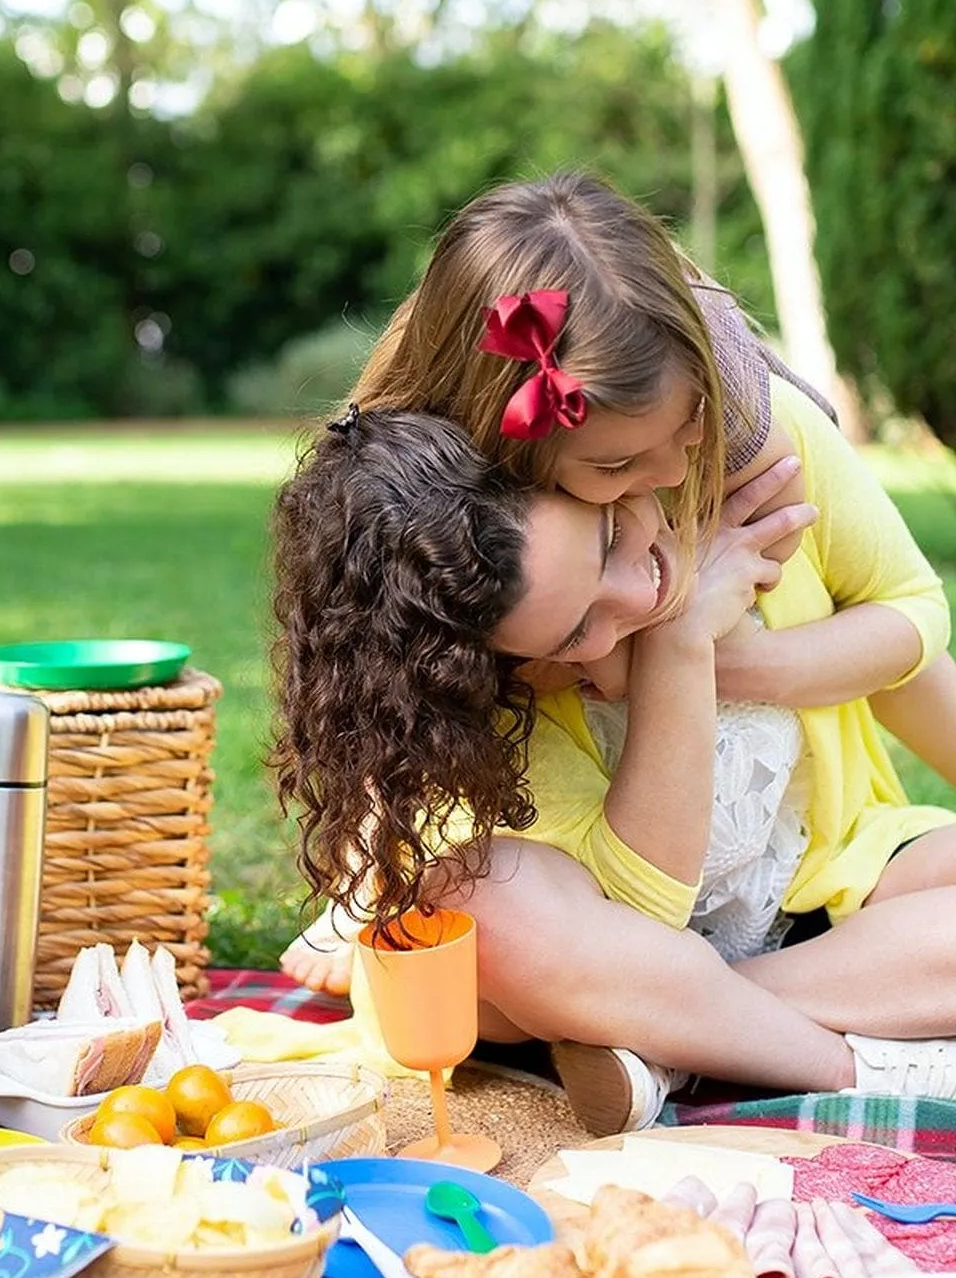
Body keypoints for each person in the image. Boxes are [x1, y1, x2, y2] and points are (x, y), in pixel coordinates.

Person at [277, 170, 956, 1002]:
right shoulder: (478, 563)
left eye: (689, 425)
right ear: (510, 451)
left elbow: (914, 615)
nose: (671, 470)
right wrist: (668, 644)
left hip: (822, 862)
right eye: (615, 468)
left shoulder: (759, 445)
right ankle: (729, 1011)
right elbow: (396, 709)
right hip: (605, 904)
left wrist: (727, 658)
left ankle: (712, 1019)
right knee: (487, 941)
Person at [219, 397, 956, 1131]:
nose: (639, 594)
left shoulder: (751, 462)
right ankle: (855, 1066)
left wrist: (734, 656)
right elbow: (644, 917)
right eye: (577, 629)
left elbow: (912, 634)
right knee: (483, 901)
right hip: (593, 951)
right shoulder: (487, 640)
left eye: (609, 539)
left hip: (809, 891)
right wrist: (679, 641)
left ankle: (674, 1046)